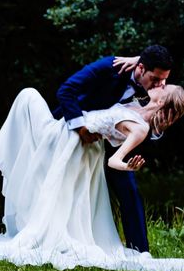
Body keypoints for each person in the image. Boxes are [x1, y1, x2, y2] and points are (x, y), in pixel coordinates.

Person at [0, 84, 184, 271]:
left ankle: (0, 159)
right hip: (77, 144)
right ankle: (6, 163)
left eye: (163, 88)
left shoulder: (140, 128)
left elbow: (114, 161)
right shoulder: (134, 105)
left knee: (27, 96)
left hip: (78, 148)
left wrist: (128, 164)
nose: (159, 85)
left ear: (161, 102)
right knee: (61, 197)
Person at [52, 45, 175, 253]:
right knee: (65, 189)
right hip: (77, 134)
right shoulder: (110, 67)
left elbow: (152, 124)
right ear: (141, 69)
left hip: (114, 144)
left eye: (163, 80)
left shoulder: (155, 85)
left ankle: (140, 253)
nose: (160, 85)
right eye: (155, 79)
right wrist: (81, 128)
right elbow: (66, 91)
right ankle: (58, 241)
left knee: (130, 192)